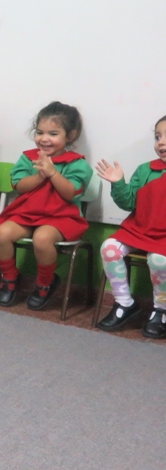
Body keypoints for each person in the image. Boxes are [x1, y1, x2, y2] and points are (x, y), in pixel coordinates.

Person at [0, 102, 93, 310]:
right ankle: (10, 278)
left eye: (53, 134)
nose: (45, 139)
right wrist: (39, 176)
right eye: (40, 132)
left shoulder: (77, 163)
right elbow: (19, 186)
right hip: (27, 214)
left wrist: (53, 173)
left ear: (71, 135)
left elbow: (70, 193)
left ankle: (45, 283)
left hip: (60, 217)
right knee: (2, 233)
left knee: (42, 238)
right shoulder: (28, 158)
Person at [93, 116, 166, 337]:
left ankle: (161, 309)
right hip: (139, 229)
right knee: (109, 248)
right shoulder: (145, 170)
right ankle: (124, 303)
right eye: (158, 137)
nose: (161, 142)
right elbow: (129, 203)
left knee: (159, 259)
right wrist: (118, 184)